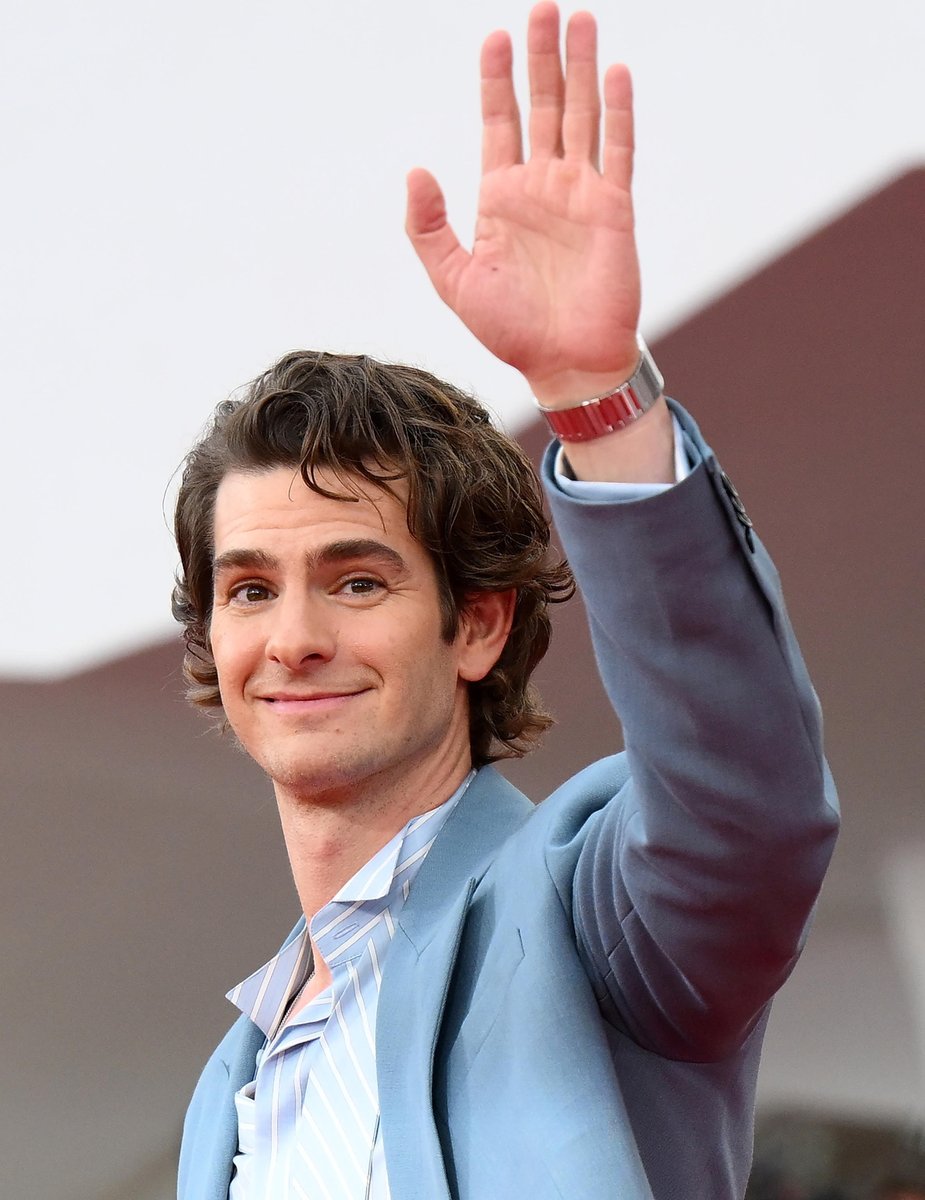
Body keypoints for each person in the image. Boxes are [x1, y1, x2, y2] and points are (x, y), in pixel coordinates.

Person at [175, 4, 839, 1198]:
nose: (293, 638)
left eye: (358, 579)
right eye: (249, 589)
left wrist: (595, 399)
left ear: (479, 622)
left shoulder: (589, 913)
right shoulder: (232, 1078)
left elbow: (749, 808)